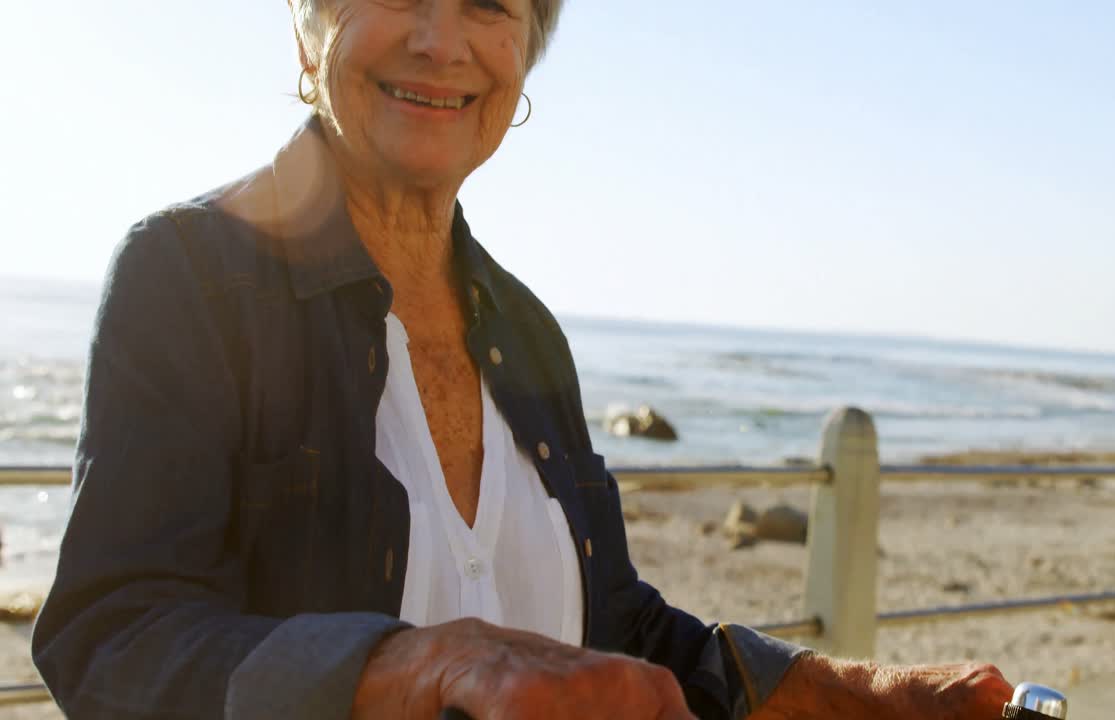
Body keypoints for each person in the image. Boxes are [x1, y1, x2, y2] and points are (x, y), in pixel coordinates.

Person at [32, 1, 1012, 718]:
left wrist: (840, 690)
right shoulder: (193, 276)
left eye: (486, 6)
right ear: (306, 25)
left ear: (521, 56)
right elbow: (112, 636)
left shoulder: (527, 327)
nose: (439, 39)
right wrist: (421, 666)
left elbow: (615, 624)